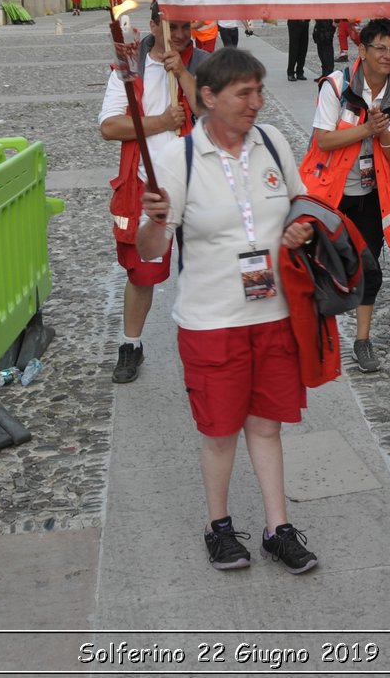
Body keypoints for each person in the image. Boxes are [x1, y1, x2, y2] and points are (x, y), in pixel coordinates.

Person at [137, 47, 320, 576]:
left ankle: (277, 528)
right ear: (209, 97)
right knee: (219, 431)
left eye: (260, 90)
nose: (257, 102)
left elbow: (300, 203)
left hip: (272, 313)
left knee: (266, 426)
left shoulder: (272, 143)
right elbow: (151, 249)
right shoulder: (178, 159)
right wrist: (155, 220)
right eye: (245, 93)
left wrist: (299, 228)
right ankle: (218, 526)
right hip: (211, 320)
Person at [300, 19, 390, 373]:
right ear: (361, 50)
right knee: (320, 267)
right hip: (330, 195)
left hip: (370, 195)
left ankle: (362, 340)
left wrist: (383, 136)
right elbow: (323, 140)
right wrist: (365, 128)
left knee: (369, 270)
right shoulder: (336, 85)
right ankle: (313, 332)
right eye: (380, 47)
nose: (387, 55)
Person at [99, 3, 200, 383]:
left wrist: (184, 74)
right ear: (154, 25)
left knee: (205, 268)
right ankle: (131, 344)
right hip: (148, 185)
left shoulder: (202, 62)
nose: (180, 35)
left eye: (185, 27)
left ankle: (206, 344)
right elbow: (109, 126)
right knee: (142, 273)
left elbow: (216, 115)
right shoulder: (129, 67)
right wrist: (160, 122)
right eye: (172, 27)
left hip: (197, 186)